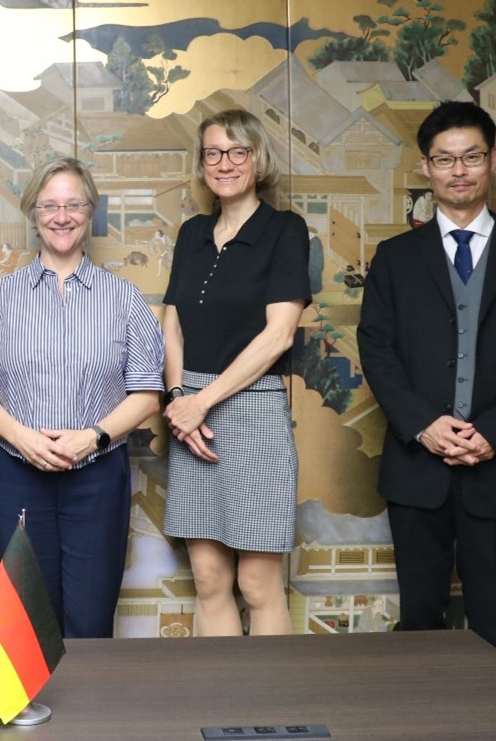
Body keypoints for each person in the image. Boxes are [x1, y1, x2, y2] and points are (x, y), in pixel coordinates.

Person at [357, 101, 496, 661]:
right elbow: (376, 349)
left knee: (493, 619)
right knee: (419, 619)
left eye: (471, 157)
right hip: (416, 466)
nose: (459, 171)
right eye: (445, 159)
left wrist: (495, 432)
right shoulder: (395, 258)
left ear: (492, 160)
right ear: (425, 167)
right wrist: (423, 425)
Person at [0, 157, 163, 637]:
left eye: (74, 205)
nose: (62, 216)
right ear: (33, 213)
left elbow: (147, 394)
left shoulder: (123, 298)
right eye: (49, 205)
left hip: (97, 475)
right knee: (28, 623)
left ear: (90, 212)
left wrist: (92, 437)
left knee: (90, 622)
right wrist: (22, 437)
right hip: (17, 472)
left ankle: (91, 694)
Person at [161, 109, 310, 637]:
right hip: (189, 414)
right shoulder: (192, 233)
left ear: (257, 159)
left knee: (257, 584)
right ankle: (217, 688)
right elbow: (172, 326)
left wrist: (200, 402)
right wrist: (179, 399)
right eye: (213, 153)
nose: (224, 164)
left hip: (253, 409)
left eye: (237, 152)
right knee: (208, 579)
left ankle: (269, 691)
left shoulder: (285, 230)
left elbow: (279, 335)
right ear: (202, 165)